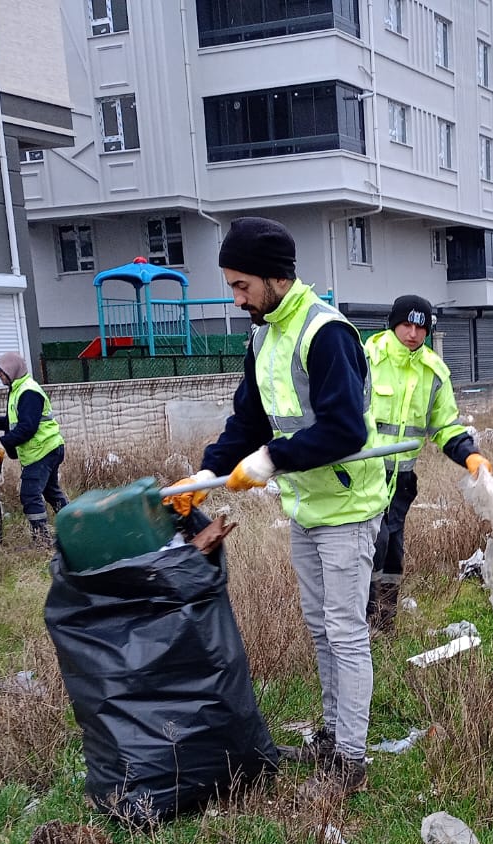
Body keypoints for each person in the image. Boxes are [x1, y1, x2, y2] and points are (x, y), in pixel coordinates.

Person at [164, 217, 385, 799]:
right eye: (232, 286)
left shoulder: (326, 333)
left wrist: (270, 461)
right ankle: (334, 736)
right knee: (319, 628)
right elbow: (249, 420)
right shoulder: (264, 334)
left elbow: (345, 430)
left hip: (347, 505)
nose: (236, 299)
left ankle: (351, 763)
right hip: (307, 506)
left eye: (242, 286)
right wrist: (206, 474)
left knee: (345, 631)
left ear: (275, 277)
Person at [364, 295, 489, 633]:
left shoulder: (433, 371)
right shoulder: (367, 359)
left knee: (391, 554)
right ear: (394, 324)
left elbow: (445, 425)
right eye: (407, 324)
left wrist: (469, 454)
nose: (413, 333)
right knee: (368, 552)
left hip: (400, 484)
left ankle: (383, 627)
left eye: (421, 327)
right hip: (363, 479)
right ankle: (359, 628)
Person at [0, 351, 67, 542]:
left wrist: (1, 443)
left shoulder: (28, 392)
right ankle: (77, 524)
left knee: (30, 494)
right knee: (51, 492)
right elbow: (14, 421)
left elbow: (27, 427)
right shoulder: (18, 389)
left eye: (1, 373)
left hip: (42, 450)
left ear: (11, 370)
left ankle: (42, 540)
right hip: (46, 448)